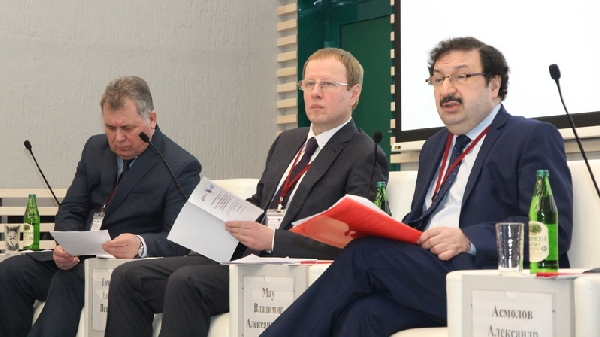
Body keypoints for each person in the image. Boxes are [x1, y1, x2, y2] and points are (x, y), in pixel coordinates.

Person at [261, 37, 574, 336]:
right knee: (363, 314)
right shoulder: (434, 146)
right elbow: (420, 220)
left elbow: (553, 232)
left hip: (486, 275)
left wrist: (468, 238)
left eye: (461, 77)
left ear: (494, 85)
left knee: (363, 255)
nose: (446, 89)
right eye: (438, 79)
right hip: (429, 274)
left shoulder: (530, 136)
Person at [104, 47, 389, 337]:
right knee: (128, 276)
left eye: (327, 84)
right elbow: (262, 203)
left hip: (290, 270)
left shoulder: (364, 153)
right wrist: (221, 215)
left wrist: (274, 239)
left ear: (353, 94)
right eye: (309, 83)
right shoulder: (287, 142)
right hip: (246, 258)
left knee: (186, 281)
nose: (315, 93)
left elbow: (354, 241)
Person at [0, 76, 201, 337]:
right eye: (110, 127)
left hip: (125, 269)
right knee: (11, 272)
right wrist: (67, 244)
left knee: (72, 278)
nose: (118, 138)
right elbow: (72, 209)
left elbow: (178, 240)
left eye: (127, 128)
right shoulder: (95, 148)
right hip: (79, 258)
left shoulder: (178, 164)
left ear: (151, 119)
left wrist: (140, 244)